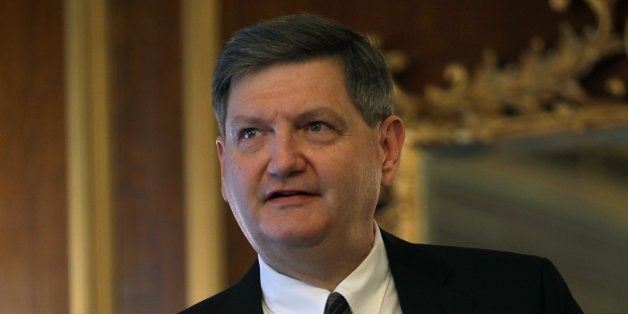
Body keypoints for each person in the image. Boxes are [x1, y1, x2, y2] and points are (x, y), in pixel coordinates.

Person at [182, 13, 582, 314]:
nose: (283, 162)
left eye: (315, 126)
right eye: (252, 134)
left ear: (387, 148)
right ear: (224, 167)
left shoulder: (523, 297)